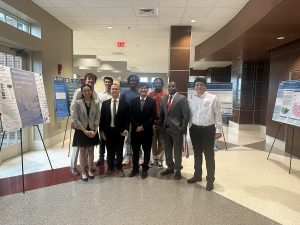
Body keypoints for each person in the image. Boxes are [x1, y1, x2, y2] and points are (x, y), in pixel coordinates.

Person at [187, 77, 222, 191]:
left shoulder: (213, 98)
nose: (199, 87)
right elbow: (191, 114)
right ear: (194, 87)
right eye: (197, 85)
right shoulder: (192, 99)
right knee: (197, 154)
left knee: (209, 155)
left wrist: (218, 131)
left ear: (205, 86)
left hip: (208, 130)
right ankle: (197, 175)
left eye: (201, 85)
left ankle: (210, 180)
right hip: (195, 130)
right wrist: (189, 126)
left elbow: (218, 115)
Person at [70, 73, 98, 176]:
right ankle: (73, 166)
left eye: (93, 79)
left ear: (95, 81)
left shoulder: (94, 93)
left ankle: (86, 165)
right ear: (85, 80)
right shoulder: (79, 91)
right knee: (78, 147)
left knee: (88, 147)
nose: (91, 80)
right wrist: (73, 122)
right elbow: (73, 108)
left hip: (90, 126)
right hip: (80, 126)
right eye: (89, 79)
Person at [160, 82, 190, 179]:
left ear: (176, 87)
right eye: (169, 86)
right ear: (167, 88)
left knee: (177, 151)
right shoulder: (164, 98)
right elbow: (163, 114)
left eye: (173, 86)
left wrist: (182, 128)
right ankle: (170, 167)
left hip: (177, 130)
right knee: (167, 150)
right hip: (166, 129)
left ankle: (178, 170)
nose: (171, 88)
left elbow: (186, 115)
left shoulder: (182, 99)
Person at [100, 83, 129, 177]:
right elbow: (102, 119)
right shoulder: (105, 103)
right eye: (113, 89)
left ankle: (120, 168)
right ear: (111, 90)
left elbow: (126, 119)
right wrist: (101, 132)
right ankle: (110, 167)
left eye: (116, 89)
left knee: (119, 151)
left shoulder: (125, 104)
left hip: (120, 132)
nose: (114, 90)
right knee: (110, 151)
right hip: (108, 132)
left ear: (119, 90)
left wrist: (126, 129)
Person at [128, 84, 156, 179]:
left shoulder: (152, 101)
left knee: (147, 151)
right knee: (135, 152)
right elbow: (130, 116)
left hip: (147, 131)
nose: (143, 89)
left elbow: (153, 116)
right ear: (138, 90)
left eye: (145, 88)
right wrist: (137, 126)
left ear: (147, 90)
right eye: (141, 88)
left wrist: (143, 126)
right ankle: (135, 169)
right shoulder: (133, 101)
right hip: (135, 131)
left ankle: (145, 169)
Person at [121, 75, 143, 165]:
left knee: (138, 138)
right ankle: (128, 155)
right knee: (128, 138)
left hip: (137, 120)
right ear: (128, 82)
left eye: (134, 80)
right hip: (127, 120)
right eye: (131, 80)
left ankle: (139, 155)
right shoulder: (124, 93)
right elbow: (122, 107)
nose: (132, 82)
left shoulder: (140, 93)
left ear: (137, 82)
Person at [148, 78, 167, 167]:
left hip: (162, 121)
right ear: (154, 84)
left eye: (159, 83)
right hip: (152, 121)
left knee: (162, 141)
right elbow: (147, 109)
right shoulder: (150, 94)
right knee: (153, 141)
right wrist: (152, 119)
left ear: (162, 84)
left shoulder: (166, 95)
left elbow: (168, 109)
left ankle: (160, 160)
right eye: (156, 83)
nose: (157, 85)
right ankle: (154, 158)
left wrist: (161, 120)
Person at [96, 76, 113, 166]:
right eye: (106, 82)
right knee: (102, 139)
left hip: (113, 120)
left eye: (109, 82)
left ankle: (112, 156)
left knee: (111, 139)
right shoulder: (99, 95)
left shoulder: (114, 94)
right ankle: (101, 156)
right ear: (104, 83)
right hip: (102, 120)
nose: (107, 83)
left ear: (111, 83)